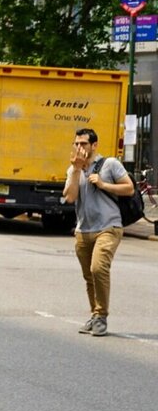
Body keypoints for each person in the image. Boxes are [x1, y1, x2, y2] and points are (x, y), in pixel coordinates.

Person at [62, 127, 133, 337]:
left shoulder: (110, 164)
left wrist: (103, 184)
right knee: (89, 276)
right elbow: (70, 198)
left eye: (83, 144)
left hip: (109, 227)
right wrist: (76, 170)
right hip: (83, 230)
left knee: (98, 268)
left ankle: (101, 316)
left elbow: (129, 188)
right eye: (76, 144)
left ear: (94, 145)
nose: (79, 148)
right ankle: (95, 315)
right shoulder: (73, 169)